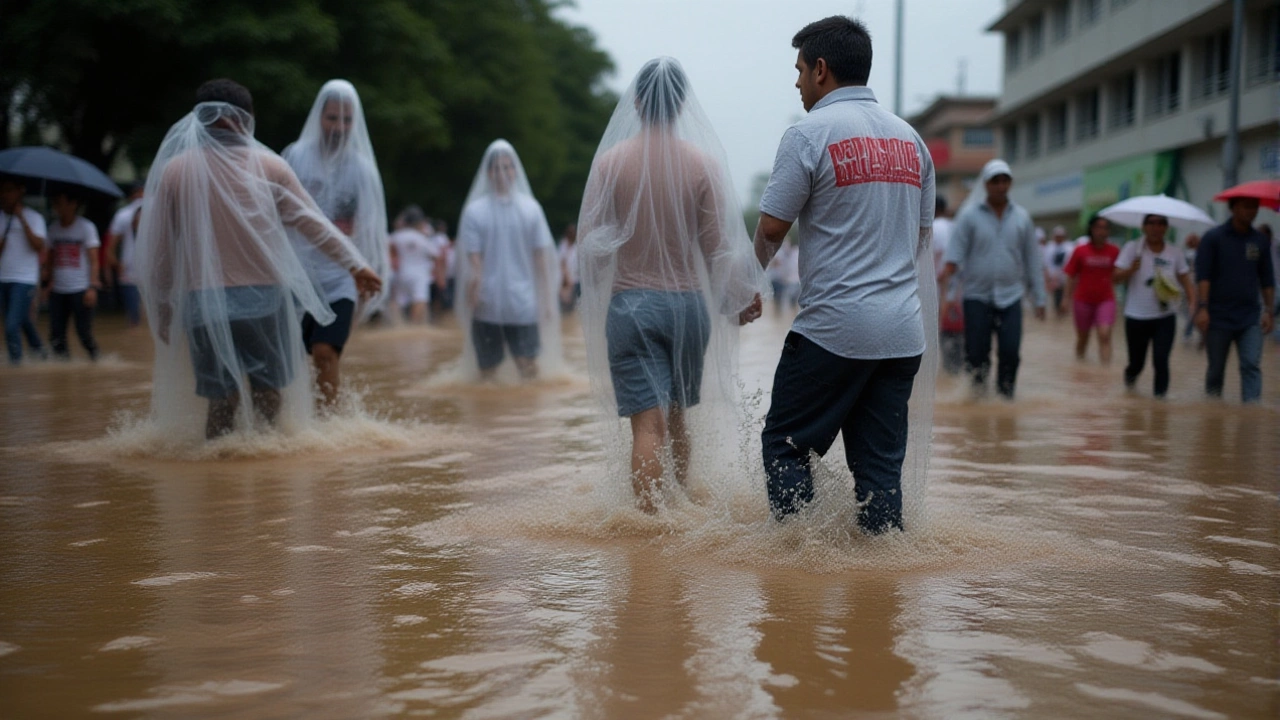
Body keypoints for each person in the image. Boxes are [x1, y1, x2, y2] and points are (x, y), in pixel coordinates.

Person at [754, 17, 937, 533]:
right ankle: (879, 588)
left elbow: (770, 229)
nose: (796, 83)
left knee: (786, 447)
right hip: (903, 336)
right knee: (879, 468)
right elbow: (920, 239)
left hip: (834, 330)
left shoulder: (808, 133)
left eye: (798, 71)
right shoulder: (911, 140)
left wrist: (749, 283)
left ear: (821, 69)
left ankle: (795, 568)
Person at [136, 79, 381, 440]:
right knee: (268, 394)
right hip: (263, 301)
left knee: (221, 400)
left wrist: (161, 304)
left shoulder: (176, 171)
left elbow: (161, 252)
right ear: (247, 119)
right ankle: (268, 470)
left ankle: (220, 475)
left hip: (204, 305)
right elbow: (313, 223)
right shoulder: (271, 166)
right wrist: (355, 264)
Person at [577, 57, 764, 513]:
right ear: (681, 104)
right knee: (678, 422)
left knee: (647, 427)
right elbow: (718, 247)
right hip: (688, 309)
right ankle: (679, 513)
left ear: (636, 102)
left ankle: (650, 527)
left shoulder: (610, 163)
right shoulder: (702, 164)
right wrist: (739, 297)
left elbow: (592, 247)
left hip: (632, 307)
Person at [282, 79, 389, 409]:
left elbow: (370, 228)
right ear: (319, 117)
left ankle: (328, 424)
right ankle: (297, 419)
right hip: (297, 272)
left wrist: (365, 276)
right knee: (292, 360)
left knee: (325, 352)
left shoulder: (362, 169)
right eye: (332, 118)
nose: (339, 127)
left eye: (347, 120)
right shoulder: (294, 157)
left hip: (343, 275)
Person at [939, 159, 1046, 398]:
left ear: (1010, 184)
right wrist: (947, 299)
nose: (1000, 186)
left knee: (1010, 352)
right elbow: (953, 260)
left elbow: (1032, 260)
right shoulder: (968, 217)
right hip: (976, 296)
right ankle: (978, 401)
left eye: (1005, 181)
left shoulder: (1022, 218)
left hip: (1011, 296)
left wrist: (1039, 298)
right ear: (985, 185)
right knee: (976, 354)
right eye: (995, 181)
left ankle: (1005, 400)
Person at [456, 140, 560, 381]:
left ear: (516, 170)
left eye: (507, 166)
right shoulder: (475, 211)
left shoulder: (531, 209)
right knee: (487, 370)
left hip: (523, 304)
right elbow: (474, 260)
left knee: (528, 366)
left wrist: (547, 300)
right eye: (497, 167)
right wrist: (473, 291)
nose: (503, 173)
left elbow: (541, 258)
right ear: (488, 172)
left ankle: (529, 416)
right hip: (487, 303)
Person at [1194, 197, 1274, 402]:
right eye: (1246, 206)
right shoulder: (1213, 238)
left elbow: (1267, 279)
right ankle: (1213, 416)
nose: (1252, 211)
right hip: (1218, 316)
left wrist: (1269, 311)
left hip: (1250, 316)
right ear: (1233, 208)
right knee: (1216, 370)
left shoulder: (1260, 241)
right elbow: (1203, 276)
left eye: (1255, 207)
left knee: (1251, 365)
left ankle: (1251, 412)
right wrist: (1202, 308)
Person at [1113, 214, 1196, 397]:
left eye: (1160, 223)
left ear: (1166, 228)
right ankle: (1130, 387)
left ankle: (1159, 405)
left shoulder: (1174, 252)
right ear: (1143, 227)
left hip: (1165, 317)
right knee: (1137, 363)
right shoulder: (1132, 248)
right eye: (1151, 223)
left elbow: (1185, 279)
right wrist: (1130, 270)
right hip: (1136, 316)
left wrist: (1193, 302)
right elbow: (1115, 278)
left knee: (1161, 361)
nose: (1155, 228)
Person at [44, 191, 101, 360]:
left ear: (73, 203)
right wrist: (47, 284)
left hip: (80, 289)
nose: (56, 207)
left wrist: (92, 287)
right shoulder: (53, 229)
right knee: (56, 336)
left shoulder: (86, 227)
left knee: (83, 333)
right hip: (58, 290)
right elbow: (50, 259)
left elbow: (94, 260)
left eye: (59, 202)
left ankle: (96, 361)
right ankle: (64, 368)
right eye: (54, 202)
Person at [1062, 214, 1119, 363]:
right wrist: (1066, 299)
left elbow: (1118, 276)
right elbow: (1071, 276)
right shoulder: (1080, 250)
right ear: (1091, 229)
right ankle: (1080, 367)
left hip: (1106, 299)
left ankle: (1105, 374)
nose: (1102, 231)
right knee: (1083, 338)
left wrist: (1131, 269)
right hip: (1083, 300)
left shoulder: (1114, 251)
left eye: (1105, 228)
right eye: (1098, 227)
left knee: (1104, 335)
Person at [387, 206, 437, 323]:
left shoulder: (396, 236)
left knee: (398, 301)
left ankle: (397, 326)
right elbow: (435, 254)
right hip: (419, 274)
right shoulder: (421, 237)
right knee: (420, 300)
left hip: (401, 273)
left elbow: (390, 254)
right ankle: (414, 327)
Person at [104, 183, 144, 326]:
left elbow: (110, 247)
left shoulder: (122, 214)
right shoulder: (158, 209)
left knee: (133, 318)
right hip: (153, 269)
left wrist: (115, 265)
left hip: (128, 268)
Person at [933, 195, 963, 374]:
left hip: (939, 289)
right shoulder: (957, 227)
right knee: (958, 332)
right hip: (961, 289)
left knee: (943, 331)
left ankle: (948, 371)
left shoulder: (933, 228)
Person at [1042, 224, 1073, 317]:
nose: (1059, 238)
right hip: (1053, 278)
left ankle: (1064, 311)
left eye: (1060, 236)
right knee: (1056, 297)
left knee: (1065, 294)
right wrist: (1047, 279)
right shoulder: (1049, 247)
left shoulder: (1070, 247)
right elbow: (1046, 264)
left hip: (1066, 276)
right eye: (1057, 236)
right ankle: (1058, 312)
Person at [557, 223, 580, 314]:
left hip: (574, 280)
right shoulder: (563, 245)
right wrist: (567, 278)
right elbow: (561, 263)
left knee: (572, 308)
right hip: (565, 281)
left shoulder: (576, 247)